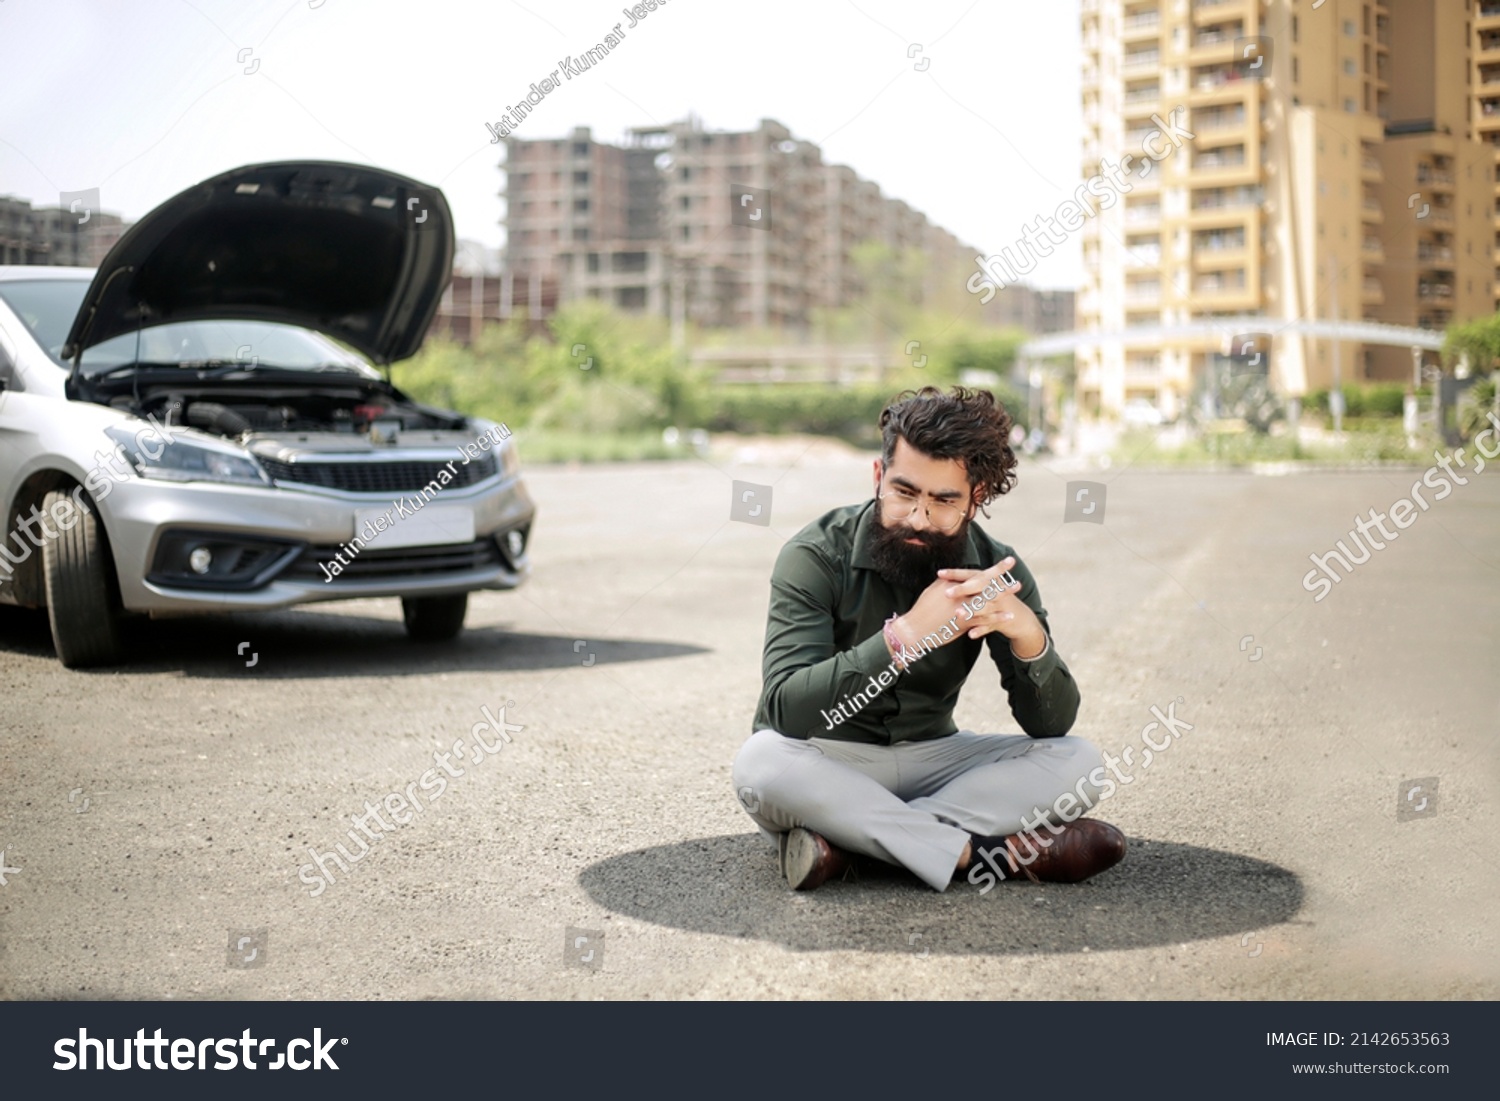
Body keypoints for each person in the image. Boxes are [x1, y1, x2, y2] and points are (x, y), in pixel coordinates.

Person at [732, 386, 1126, 891]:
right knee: (761, 762)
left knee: (1082, 762)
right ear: (878, 477)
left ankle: (855, 847)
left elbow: (1048, 724)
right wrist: (907, 634)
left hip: (935, 758)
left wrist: (1029, 636)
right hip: (829, 761)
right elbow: (786, 710)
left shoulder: (997, 569)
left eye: (943, 501)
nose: (918, 517)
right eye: (904, 493)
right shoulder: (814, 555)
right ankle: (984, 854)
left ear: (975, 499)